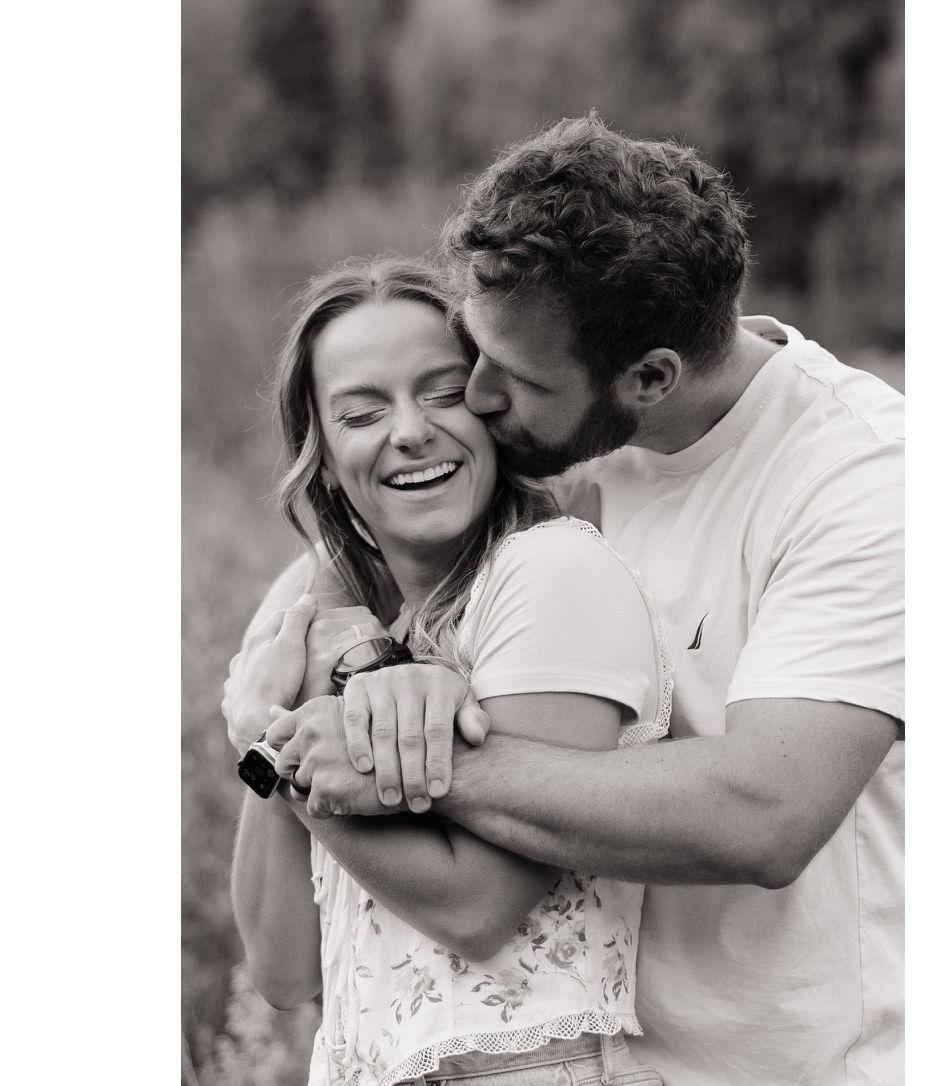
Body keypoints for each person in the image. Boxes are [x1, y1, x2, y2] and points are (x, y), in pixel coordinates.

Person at [226, 114, 905, 1085]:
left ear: (650, 377)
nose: (478, 397)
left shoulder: (860, 480)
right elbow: (382, 515)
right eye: (474, 353)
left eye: (507, 379)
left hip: (799, 1062)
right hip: (615, 1055)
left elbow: (766, 814)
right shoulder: (569, 441)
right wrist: (343, 634)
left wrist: (393, 759)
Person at [227, 258, 672, 1086]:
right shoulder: (345, 642)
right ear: (323, 456)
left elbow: (479, 909)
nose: (409, 431)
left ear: (494, 409)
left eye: (442, 393)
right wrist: (278, 721)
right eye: (362, 413)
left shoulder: (552, 574)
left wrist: (278, 751)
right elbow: (284, 971)